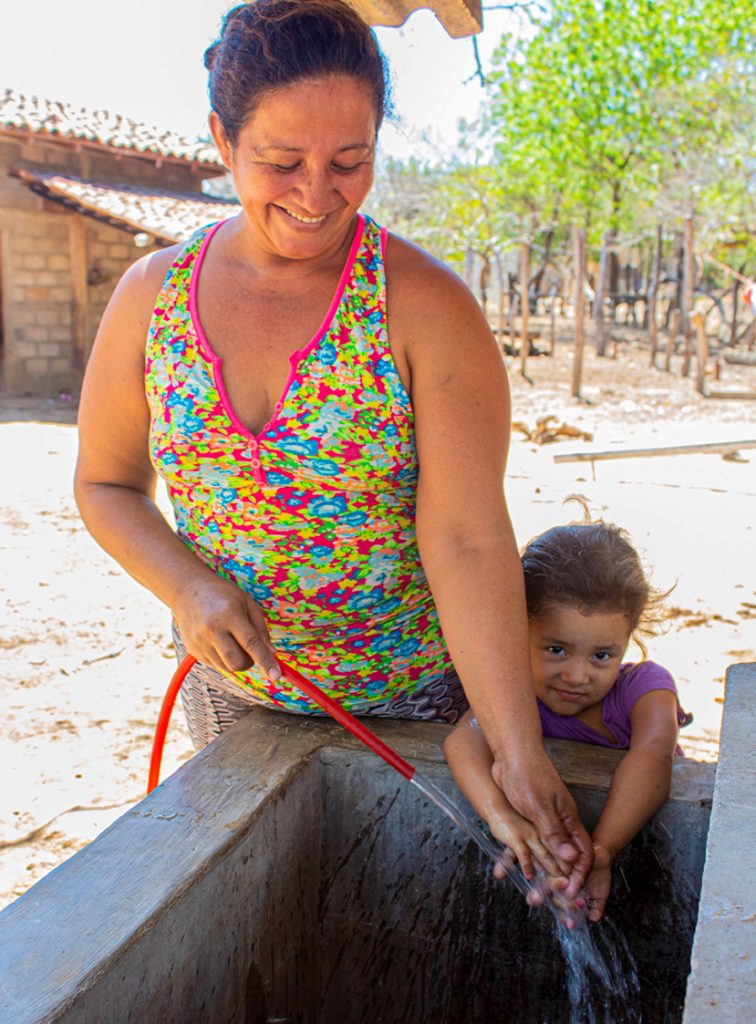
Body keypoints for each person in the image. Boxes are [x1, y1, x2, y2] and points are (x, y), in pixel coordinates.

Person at [74, 0, 591, 893]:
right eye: (281, 161)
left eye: (351, 162)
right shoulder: (149, 299)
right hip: (239, 704)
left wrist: (515, 749)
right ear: (222, 140)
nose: (318, 195)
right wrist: (189, 586)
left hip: (420, 711)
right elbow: (106, 484)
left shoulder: (426, 308)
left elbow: (467, 538)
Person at [444, 515, 692, 922]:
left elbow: (653, 756)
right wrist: (503, 819)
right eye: (556, 649)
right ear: (518, 629)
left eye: (602, 655)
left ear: (629, 640)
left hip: (644, 858)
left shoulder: (646, 690)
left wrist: (603, 849)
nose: (577, 676)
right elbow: (461, 744)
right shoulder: (514, 699)